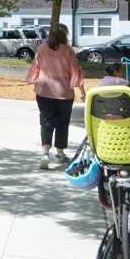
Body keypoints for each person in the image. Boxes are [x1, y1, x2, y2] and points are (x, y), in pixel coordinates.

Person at [26, 23, 85, 170]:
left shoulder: (42, 48)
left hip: (44, 90)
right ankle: (59, 154)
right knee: (62, 123)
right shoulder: (68, 50)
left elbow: (36, 67)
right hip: (64, 92)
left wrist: (35, 83)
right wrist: (83, 92)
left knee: (46, 121)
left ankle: (45, 153)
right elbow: (74, 71)